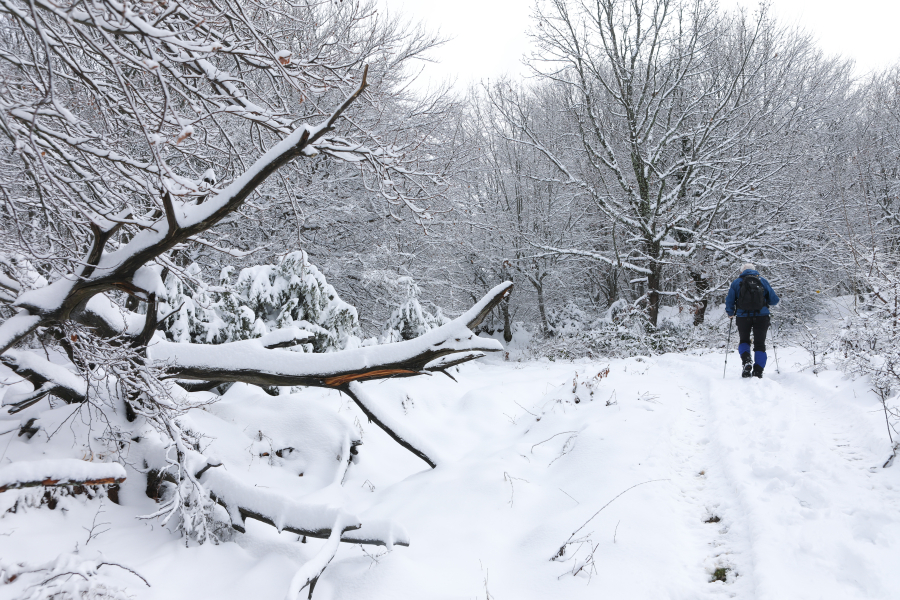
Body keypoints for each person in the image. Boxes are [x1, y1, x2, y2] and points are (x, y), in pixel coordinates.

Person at [725, 263, 779, 378]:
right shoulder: (762, 281)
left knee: (744, 340)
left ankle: (746, 361)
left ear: (741, 272)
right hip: (762, 316)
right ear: (755, 271)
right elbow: (774, 300)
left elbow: (730, 300)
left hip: (743, 317)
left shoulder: (736, 282)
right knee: (760, 344)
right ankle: (758, 371)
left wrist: (730, 313)